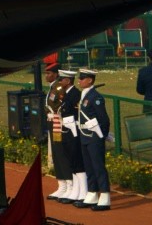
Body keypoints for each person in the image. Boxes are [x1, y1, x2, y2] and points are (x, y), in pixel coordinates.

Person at [74, 69, 111, 211]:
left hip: (94, 136)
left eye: (82, 78)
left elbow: (104, 119)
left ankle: (105, 196)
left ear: (90, 80)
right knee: (89, 166)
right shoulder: (85, 95)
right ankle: (92, 193)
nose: (79, 80)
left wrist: (102, 135)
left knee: (98, 166)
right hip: (84, 135)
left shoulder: (95, 97)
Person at [56, 69, 87, 205]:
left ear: (68, 81)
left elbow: (77, 114)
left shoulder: (75, 95)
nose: (59, 82)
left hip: (74, 131)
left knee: (77, 160)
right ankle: (77, 190)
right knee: (72, 161)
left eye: (61, 79)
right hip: (67, 130)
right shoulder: (66, 94)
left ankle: (83, 192)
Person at [44, 63, 72, 200]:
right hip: (52, 121)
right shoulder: (53, 87)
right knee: (56, 153)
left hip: (58, 122)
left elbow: (60, 105)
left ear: (56, 74)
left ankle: (69, 184)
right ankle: (62, 184)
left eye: (49, 73)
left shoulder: (59, 87)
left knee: (61, 153)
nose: (46, 76)